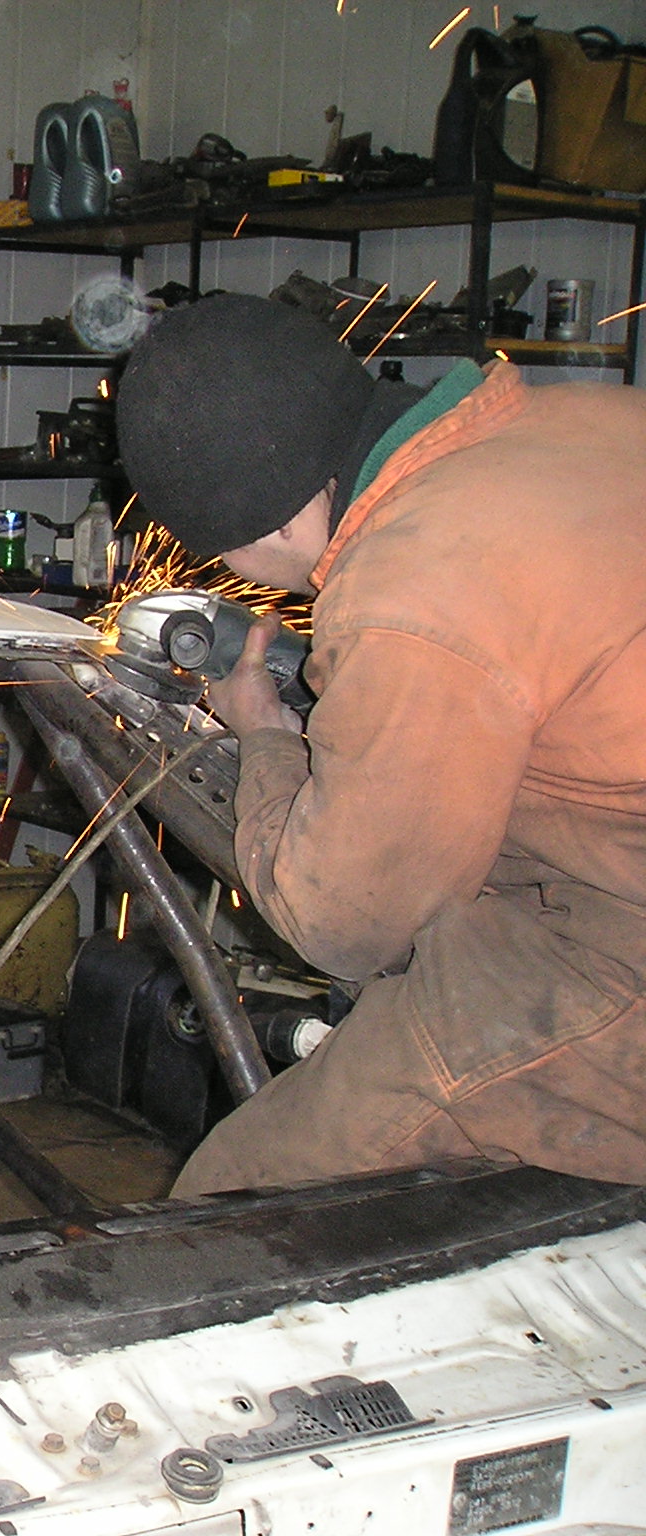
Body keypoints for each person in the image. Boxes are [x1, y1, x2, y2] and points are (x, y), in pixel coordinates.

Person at [114, 293, 646, 1196]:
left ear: (278, 521)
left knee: (239, 1196)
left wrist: (265, 738)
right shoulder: (584, 422)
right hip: (601, 872)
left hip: (618, 950)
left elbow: (348, 924)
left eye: (224, 552)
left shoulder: (412, 587)